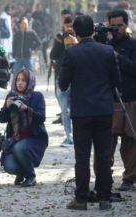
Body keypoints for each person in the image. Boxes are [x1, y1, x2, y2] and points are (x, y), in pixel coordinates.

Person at [59, 15, 120, 210]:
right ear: (93, 30)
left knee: (82, 157)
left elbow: (62, 83)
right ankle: (104, 198)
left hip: (81, 111)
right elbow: (117, 81)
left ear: (74, 32)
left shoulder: (71, 53)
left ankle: (82, 199)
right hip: (103, 109)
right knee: (103, 155)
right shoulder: (108, 51)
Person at [0, 68, 47, 187]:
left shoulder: (37, 96)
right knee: (9, 166)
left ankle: (31, 177)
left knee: (19, 148)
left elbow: (41, 118)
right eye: (18, 80)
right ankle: (23, 171)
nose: (20, 83)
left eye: (23, 80)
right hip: (15, 138)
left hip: (34, 138)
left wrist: (27, 109)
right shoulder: (11, 96)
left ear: (29, 82)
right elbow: (1, 119)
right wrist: (7, 107)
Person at [107, 9, 136, 191]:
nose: (117, 29)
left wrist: (118, 57)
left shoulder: (133, 45)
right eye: (113, 25)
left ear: (126, 25)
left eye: (120, 25)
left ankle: (129, 178)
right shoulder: (104, 45)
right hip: (108, 101)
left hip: (130, 99)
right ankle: (104, 179)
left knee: (130, 143)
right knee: (106, 143)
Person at [50, 16, 76, 147]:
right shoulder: (59, 38)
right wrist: (60, 43)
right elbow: (52, 56)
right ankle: (68, 136)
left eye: (72, 26)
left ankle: (77, 135)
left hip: (76, 79)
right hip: (62, 77)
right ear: (64, 26)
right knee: (65, 109)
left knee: (75, 109)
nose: (70, 29)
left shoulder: (79, 38)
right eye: (67, 26)